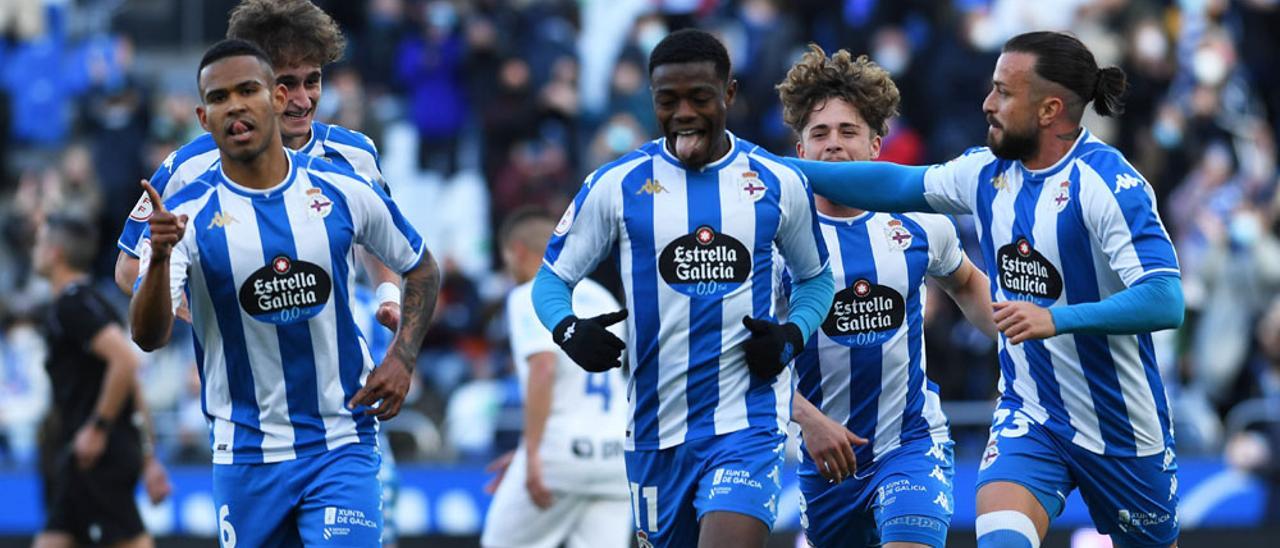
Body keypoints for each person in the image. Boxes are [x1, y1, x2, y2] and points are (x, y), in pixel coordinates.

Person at [789, 31, 1184, 547]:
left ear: (1049, 109)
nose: (987, 103)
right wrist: (750, 162)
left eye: (1002, 92)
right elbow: (895, 186)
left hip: (1124, 428)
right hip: (1032, 417)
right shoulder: (984, 173)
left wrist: (1058, 318)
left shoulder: (1109, 186)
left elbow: (1165, 298)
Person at [129, 39, 440, 546]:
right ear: (204, 117)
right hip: (245, 454)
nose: (236, 105)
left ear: (274, 99)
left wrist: (402, 357)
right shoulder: (182, 210)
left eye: (248, 90)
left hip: (341, 441)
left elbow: (421, 266)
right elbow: (147, 335)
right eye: (221, 97)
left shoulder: (342, 185)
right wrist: (161, 259)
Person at [532, 28, 835, 548]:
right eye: (667, 100)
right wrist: (568, 330)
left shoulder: (776, 182)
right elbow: (551, 280)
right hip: (654, 429)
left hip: (747, 422)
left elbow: (816, 278)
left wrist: (791, 335)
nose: (684, 113)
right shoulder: (616, 184)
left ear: (730, 94)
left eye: (700, 97)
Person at [775, 45, 998, 548]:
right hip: (823, 464)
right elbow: (736, 354)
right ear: (800, 152)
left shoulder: (919, 225)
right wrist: (807, 419)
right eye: (820, 133)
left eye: (848, 131)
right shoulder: (773, 241)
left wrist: (1032, 337)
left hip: (912, 445)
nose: (834, 144)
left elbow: (965, 282)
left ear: (877, 145)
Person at [112, 0, 403, 332]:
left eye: (312, 81)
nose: (304, 100)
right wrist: (191, 305)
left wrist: (388, 297)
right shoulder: (189, 166)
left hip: (338, 373)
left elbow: (381, 235)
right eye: (287, 84)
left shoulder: (355, 153)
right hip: (240, 377)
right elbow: (128, 266)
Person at [481, 208, 632, 548]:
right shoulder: (602, 296)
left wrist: (532, 452)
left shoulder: (528, 295)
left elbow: (544, 369)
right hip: (614, 458)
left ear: (517, 251)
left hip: (558, 453)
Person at [31, 214, 169, 548]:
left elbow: (125, 360)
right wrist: (149, 457)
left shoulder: (72, 304)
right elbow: (131, 381)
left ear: (55, 253)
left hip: (96, 452)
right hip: (88, 451)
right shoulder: (95, 299)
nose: (34, 250)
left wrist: (98, 427)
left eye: (39, 243)